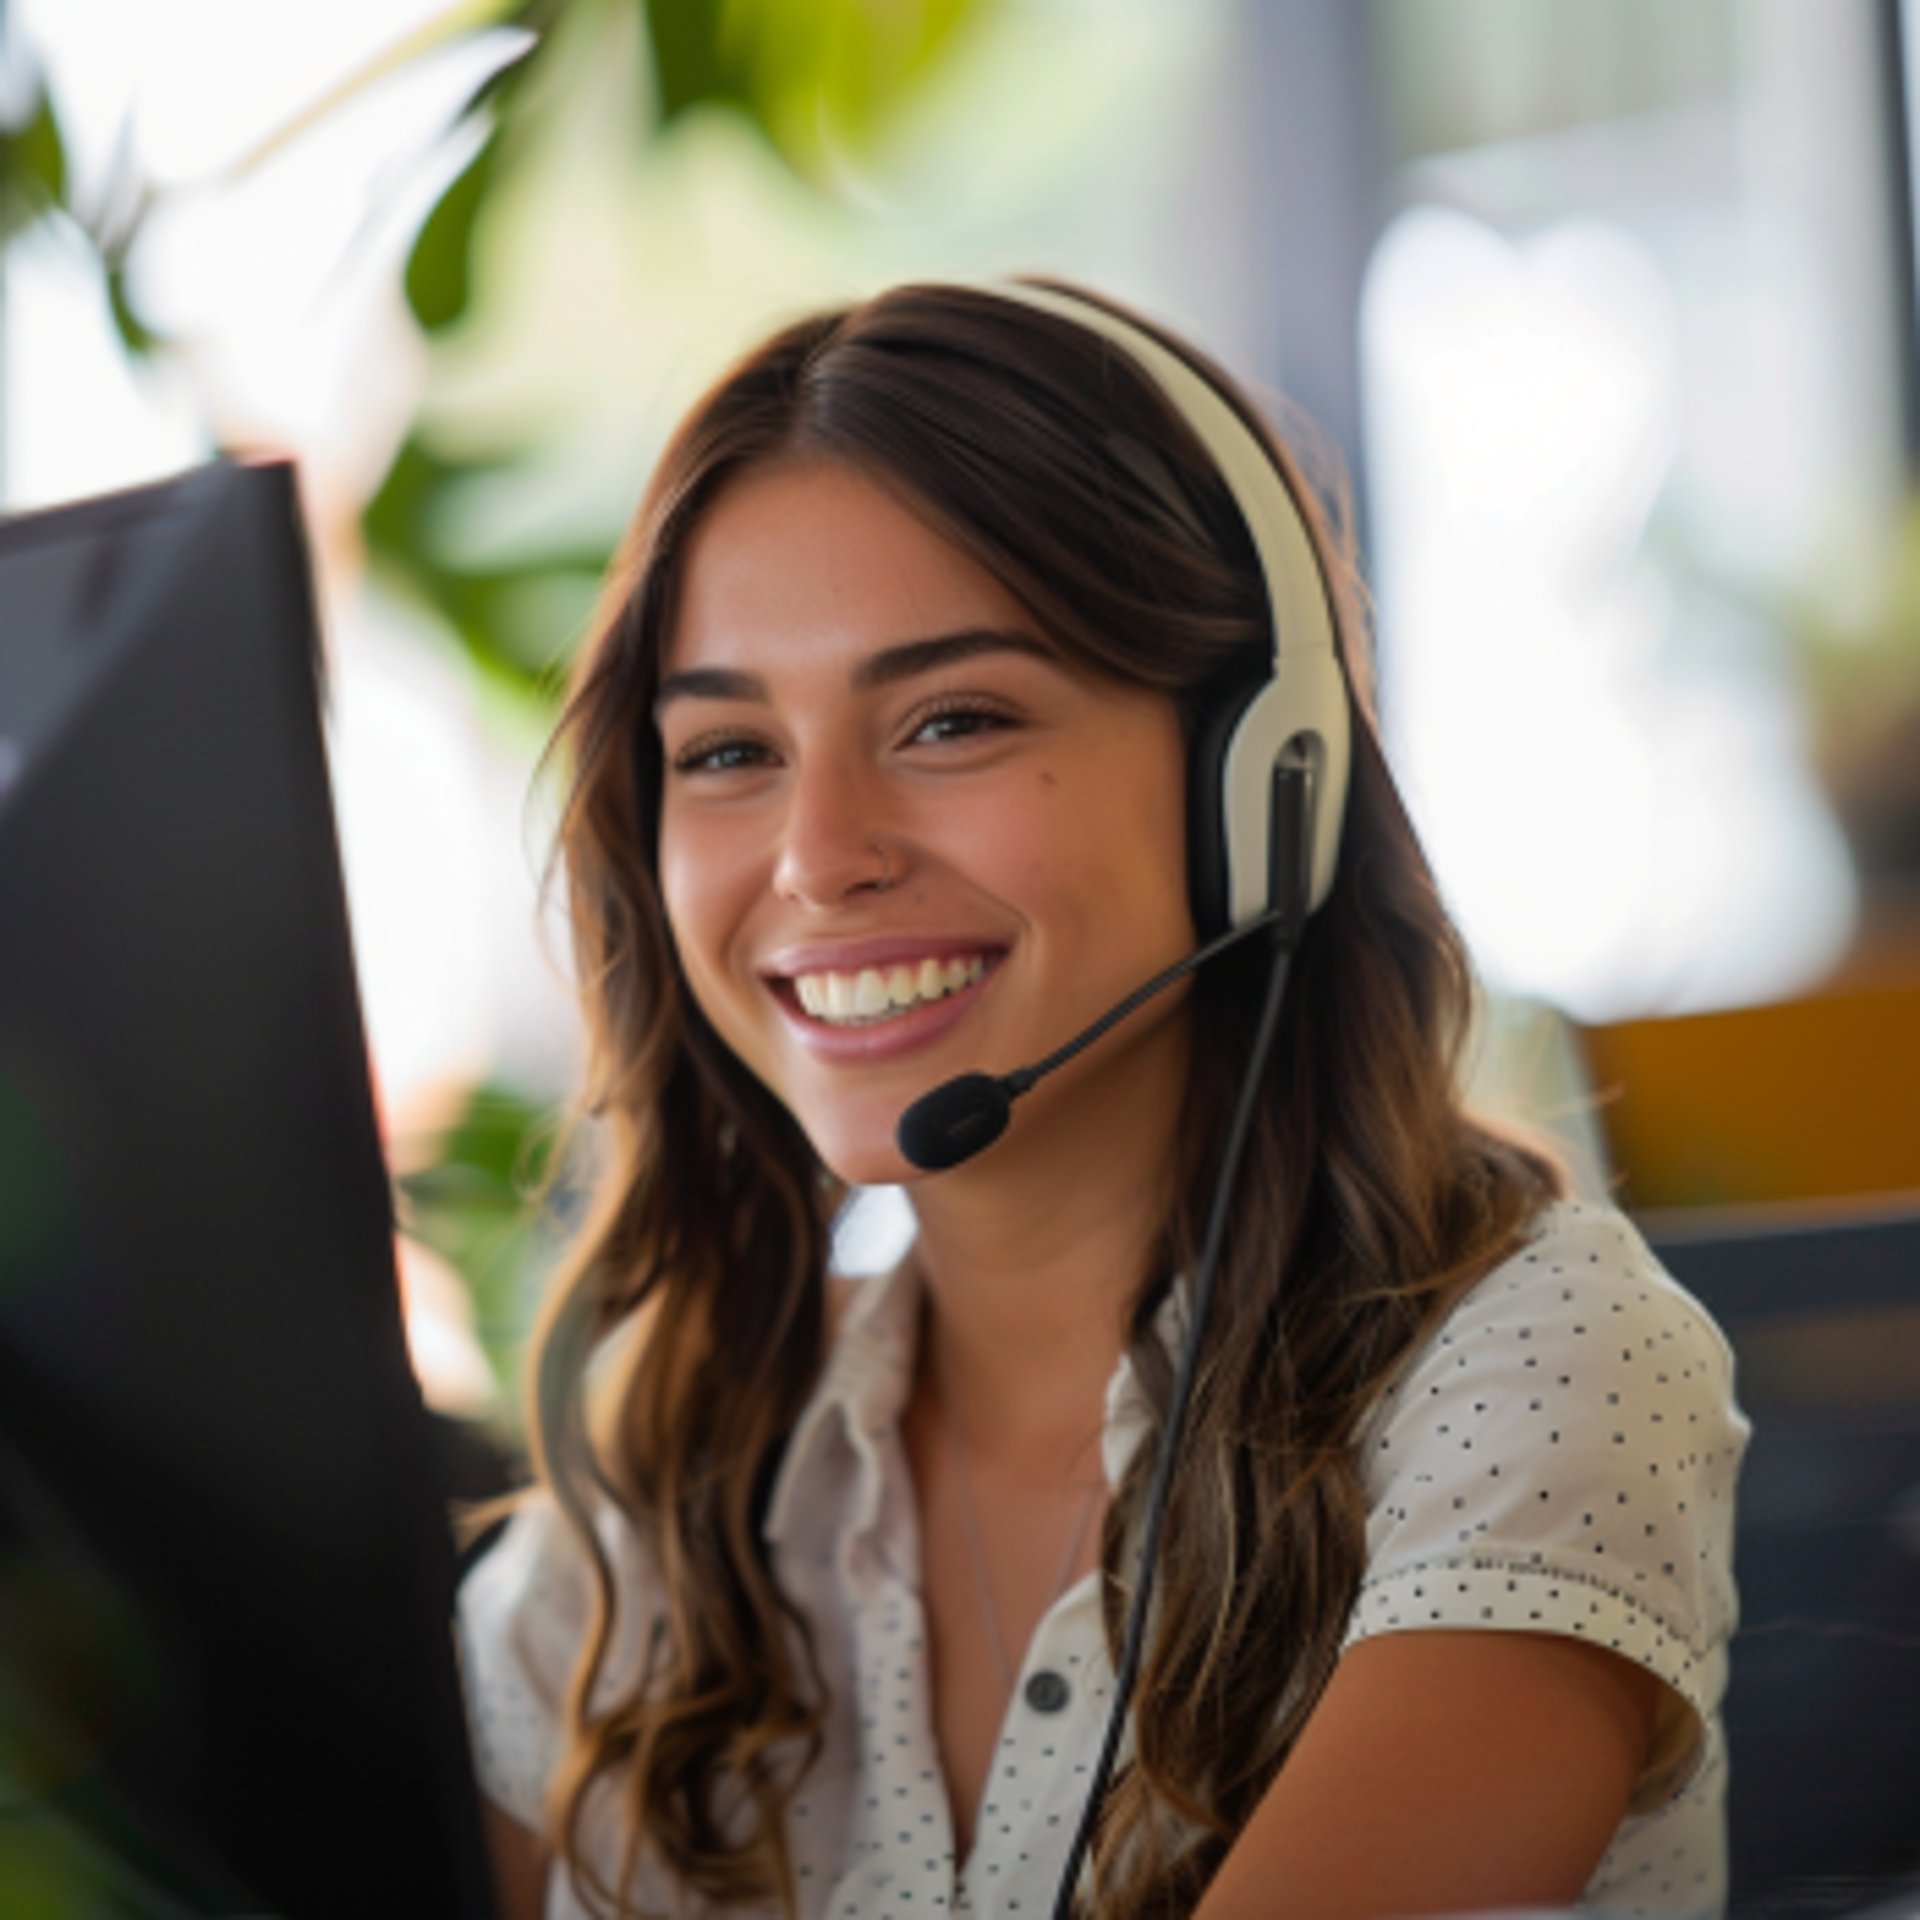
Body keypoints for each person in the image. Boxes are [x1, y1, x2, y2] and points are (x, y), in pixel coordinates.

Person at [457, 279, 1748, 1920]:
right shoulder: (670, 1496)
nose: (816, 853)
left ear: (1259, 784)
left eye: (953, 720)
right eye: (727, 751)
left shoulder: (1534, 1364)